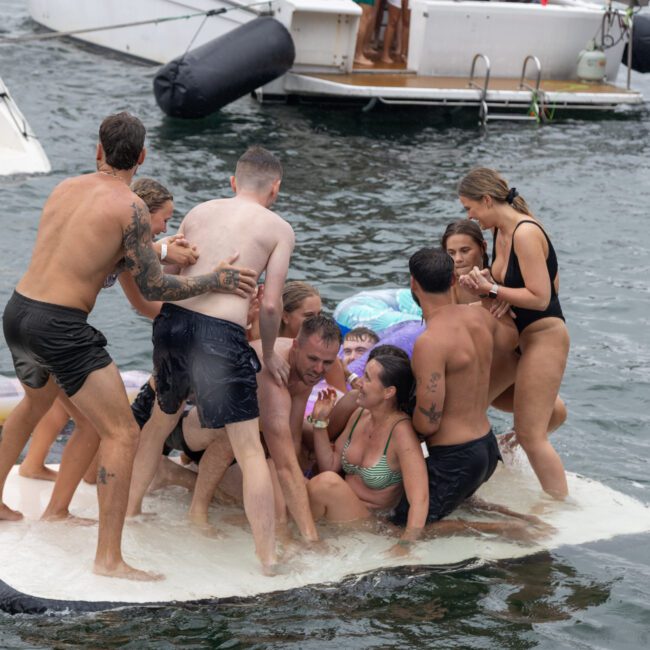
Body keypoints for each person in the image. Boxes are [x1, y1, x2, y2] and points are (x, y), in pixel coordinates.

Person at [0, 112, 255, 581]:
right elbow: (155, 289)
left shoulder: (64, 189)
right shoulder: (132, 209)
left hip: (18, 312)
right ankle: (109, 560)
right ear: (141, 157)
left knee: (34, 404)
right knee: (122, 433)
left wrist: (154, 249)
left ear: (98, 149)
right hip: (61, 326)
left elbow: (90, 252)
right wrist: (214, 279)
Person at [126, 145, 294, 574]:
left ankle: (129, 515)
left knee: (158, 424)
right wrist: (271, 353)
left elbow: (177, 275)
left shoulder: (199, 211)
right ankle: (267, 557)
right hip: (221, 336)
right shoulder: (278, 228)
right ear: (275, 188)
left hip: (172, 324)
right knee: (249, 449)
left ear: (233, 182)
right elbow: (271, 305)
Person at [18, 177, 196, 483]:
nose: (166, 227)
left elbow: (142, 263)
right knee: (86, 416)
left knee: (56, 401)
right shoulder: (128, 244)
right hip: (59, 325)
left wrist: (162, 251)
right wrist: (192, 314)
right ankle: (65, 493)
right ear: (145, 212)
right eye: (164, 219)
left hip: (36, 315)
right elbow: (144, 303)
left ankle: (32, 464)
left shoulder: (124, 238)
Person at [149, 315, 343, 541]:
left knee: (255, 499)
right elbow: (285, 466)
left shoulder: (304, 374)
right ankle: (197, 510)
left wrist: (292, 495)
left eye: (327, 363)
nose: (319, 369)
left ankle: (172, 472)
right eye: (313, 359)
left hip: (224, 436)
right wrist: (312, 538)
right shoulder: (272, 372)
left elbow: (292, 440)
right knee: (234, 432)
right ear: (296, 345)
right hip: (186, 422)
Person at [457, 168, 570, 499]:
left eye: (470, 207)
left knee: (532, 435)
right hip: (517, 340)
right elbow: (515, 278)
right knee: (474, 400)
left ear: (487, 200)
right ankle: (496, 452)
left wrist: (493, 289)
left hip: (543, 339)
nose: (470, 216)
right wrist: (482, 281)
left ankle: (561, 506)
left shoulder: (524, 232)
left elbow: (543, 296)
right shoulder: (500, 232)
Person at [404, 247, 516, 524]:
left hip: (456, 457)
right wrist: (487, 293)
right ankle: (520, 523)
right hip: (487, 449)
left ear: (413, 283)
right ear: (454, 280)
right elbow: (511, 341)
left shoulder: (430, 342)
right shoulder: (480, 318)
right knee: (458, 505)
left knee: (403, 525)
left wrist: (399, 423)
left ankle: (513, 532)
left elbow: (429, 422)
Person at [441, 219, 567, 436]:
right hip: (473, 369)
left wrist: (494, 296)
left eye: (465, 250)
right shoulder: (446, 285)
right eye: (451, 253)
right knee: (462, 410)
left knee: (557, 412)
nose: (458, 259)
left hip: (508, 365)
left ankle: (514, 442)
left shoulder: (497, 282)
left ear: (482, 248)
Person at [307, 353, 428, 549]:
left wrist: (405, 545)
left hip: (370, 524)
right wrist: (320, 423)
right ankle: (302, 535)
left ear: (388, 392)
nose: (359, 382)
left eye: (367, 378)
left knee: (326, 483)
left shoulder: (401, 433)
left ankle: (300, 538)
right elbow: (329, 465)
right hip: (342, 510)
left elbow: (420, 498)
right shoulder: (360, 415)